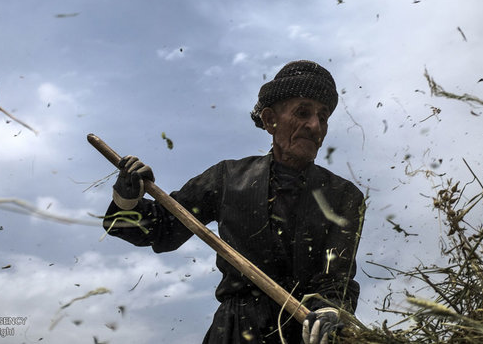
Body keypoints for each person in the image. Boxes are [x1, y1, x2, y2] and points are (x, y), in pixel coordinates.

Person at [102, 60, 365, 344]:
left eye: (323, 117)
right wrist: (127, 198)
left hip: (305, 333)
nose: (315, 126)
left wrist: (330, 310)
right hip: (234, 332)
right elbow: (161, 230)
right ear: (269, 120)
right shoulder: (227, 178)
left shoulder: (344, 196)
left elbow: (335, 278)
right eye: (303, 112)